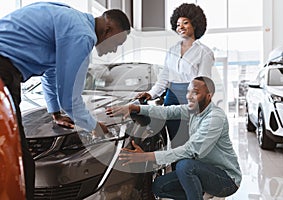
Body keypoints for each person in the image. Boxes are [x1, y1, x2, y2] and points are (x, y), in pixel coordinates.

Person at [0, 2, 130, 199]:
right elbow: (70, 98)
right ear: (109, 30)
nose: (114, 50)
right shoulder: (82, 35)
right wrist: (94, 126)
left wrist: (55, 113)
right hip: (3, 70)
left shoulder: (70, 19)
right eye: (117, 43)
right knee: (19, 161)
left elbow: (51, 74)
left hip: (6, 67)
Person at [106, 76, 242, 200]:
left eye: (195, 92)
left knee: (185, 165)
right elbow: (168, 111)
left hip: (226, 179)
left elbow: (191, 150)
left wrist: (146, 156)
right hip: (204, 170)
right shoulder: (194, 110)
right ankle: (198, 192)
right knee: (159, 186)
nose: (189, 96)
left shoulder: (214, 118)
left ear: (209, 96)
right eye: (188, 92)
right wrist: (134, 107)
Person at [136, 3, 215, 148]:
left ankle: (188, 169)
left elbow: (203, 82)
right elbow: (164, 78)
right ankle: (177, 168)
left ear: (195, 25)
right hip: (171, 97)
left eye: (185, 23)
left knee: (190, 141)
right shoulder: (171, 51)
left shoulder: (204, 52)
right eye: (178, 24)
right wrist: (151, 93)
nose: (181, 27)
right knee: (175, 140)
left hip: (191, 98)